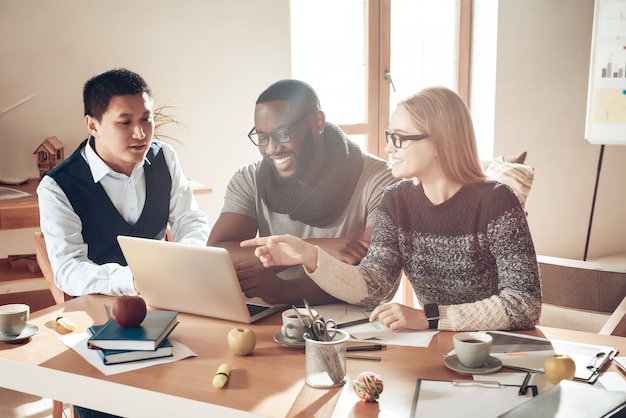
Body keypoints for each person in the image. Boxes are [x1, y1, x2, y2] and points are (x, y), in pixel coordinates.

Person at [242, 86, 542, 331]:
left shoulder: (498, 201)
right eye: (389, 137)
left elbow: (524, 304)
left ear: (440, 142)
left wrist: (431, 317)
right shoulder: (396, 199)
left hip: (498, 349)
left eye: (400, 138)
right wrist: (310, 256)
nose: (388, 149)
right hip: (436, 345)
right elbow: (374, 286)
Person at [207, 79, 395, 305]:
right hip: (273, 314)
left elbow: (376, 282)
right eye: (262, 137)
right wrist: (312, 249)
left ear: (317, 122)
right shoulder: (249, 178)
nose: (272, 148)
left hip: (352, 323)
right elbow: (218, 255)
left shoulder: (379, 179)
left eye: (283, 134)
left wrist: (286, 289)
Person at [37, 68, 210, 298]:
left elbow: (190, 220)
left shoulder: (165, 158)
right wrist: (132, 280)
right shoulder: (57, 186)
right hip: (98, 308)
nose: (140, 133)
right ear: (93, 126)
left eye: (146, 120)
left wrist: (187, 257)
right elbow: (69, 269)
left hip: (163, 298)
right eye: (125, 122)